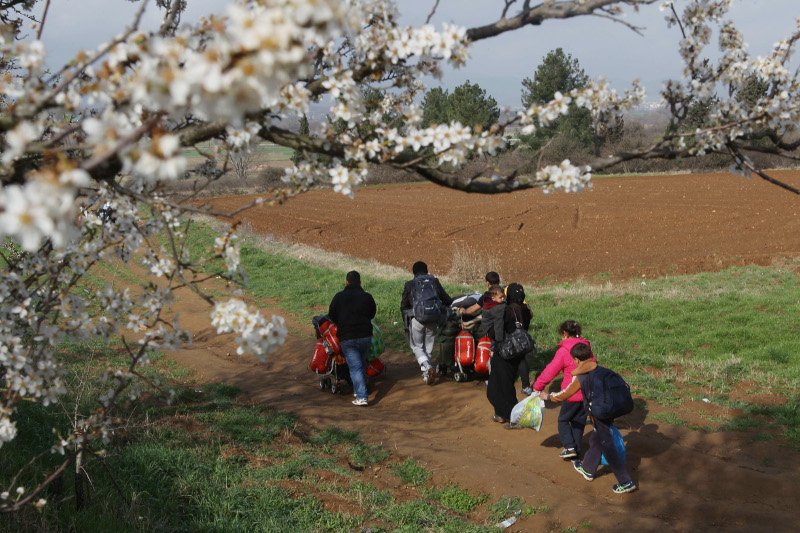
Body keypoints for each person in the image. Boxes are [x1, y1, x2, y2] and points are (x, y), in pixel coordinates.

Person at [542, 343, 637, 494]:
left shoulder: (581, 376)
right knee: (596, 438)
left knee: (607, 443)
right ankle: (588, 469)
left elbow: (565, 394)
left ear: (576, 360)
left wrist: (548, 396)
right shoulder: (602, 370)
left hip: (600, 411)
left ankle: (626, 481)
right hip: (614, 408)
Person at [533, 320, 596, 459]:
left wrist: (538, 386)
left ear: (565, 333)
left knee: (563, 420)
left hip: (571, 394)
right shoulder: (586, 348)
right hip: (587, 393)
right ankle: (577, 448)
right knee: (579, 421)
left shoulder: (564, 351)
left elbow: (551, 371)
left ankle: (569, 446)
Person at [486, 283, 533, 428]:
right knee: (505, 386)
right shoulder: (525, 310)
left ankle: (515, 418)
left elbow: (495, 333)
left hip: (504, 353)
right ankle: (502, 414)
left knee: (497, 389)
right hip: (517, 352)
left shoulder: (505, 311)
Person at [328, 270, 376, 406]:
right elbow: (372, 314)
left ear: (346, 282)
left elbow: (332, 315)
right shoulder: (367, 297)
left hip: (347, 338)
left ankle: (362, 396)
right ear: (360, 282)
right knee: (361, 363)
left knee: (355, 367)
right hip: (365, 336)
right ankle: (358, 389)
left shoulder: (339, 297)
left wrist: (342, 323)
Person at [400, 261, 452, 385]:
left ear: (413, 272)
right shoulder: (434, 281)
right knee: (428, 349)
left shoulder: (410, 284)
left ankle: (427, 367)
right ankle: (426, 374)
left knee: (417, 347)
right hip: (434, 320)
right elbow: (447, 300)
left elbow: (403, 306)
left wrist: (406, 324)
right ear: (427, 270)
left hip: (417, 320)